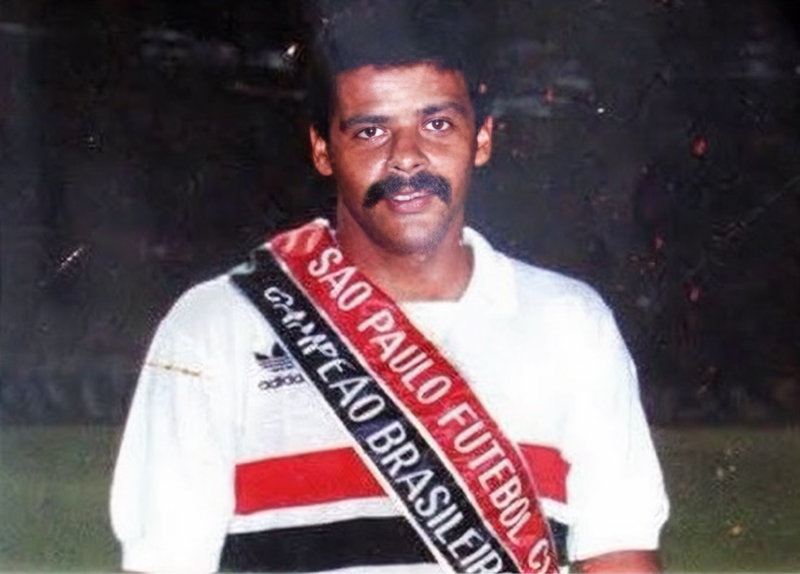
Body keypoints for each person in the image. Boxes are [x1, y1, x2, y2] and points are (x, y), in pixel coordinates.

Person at [110, 2, 669, 572]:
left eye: (437, 124)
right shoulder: (217, 327)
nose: (406, 158)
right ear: (323, 149)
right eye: (371, 131)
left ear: (482, 138)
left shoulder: (569, 325)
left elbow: (618, 554)